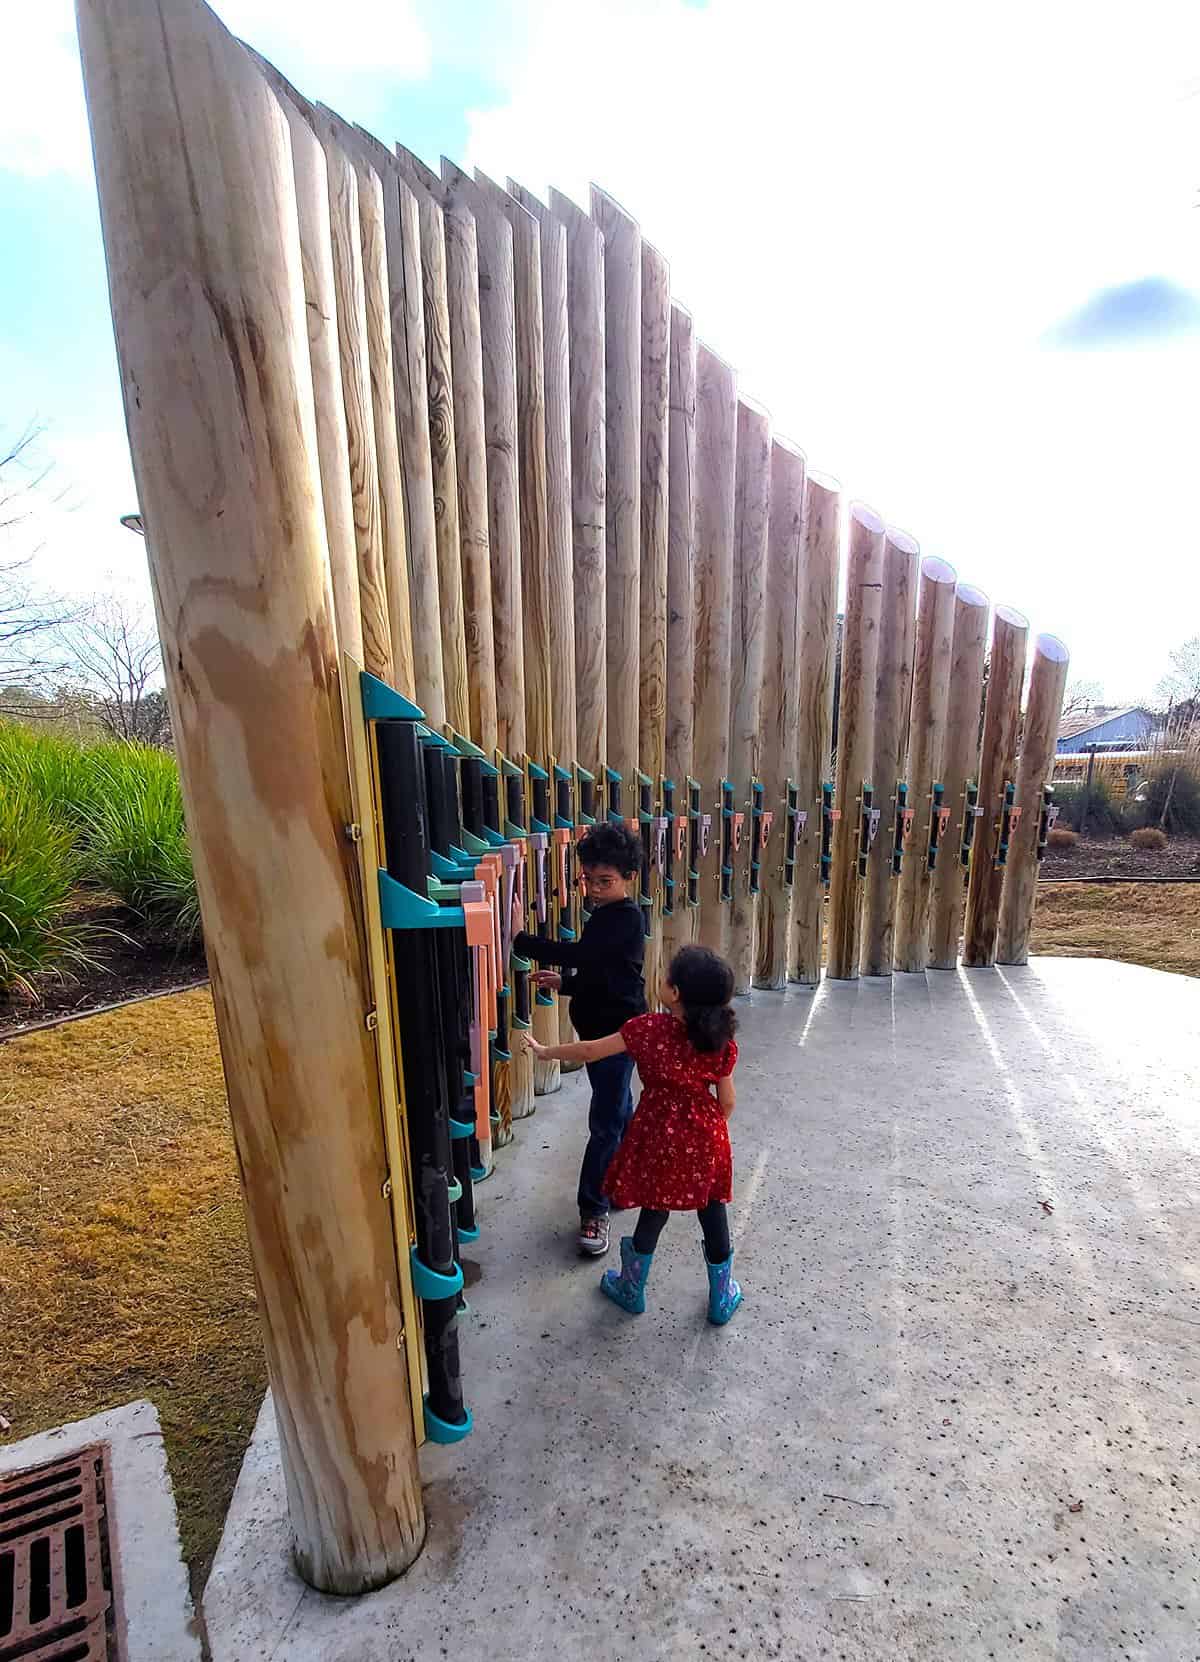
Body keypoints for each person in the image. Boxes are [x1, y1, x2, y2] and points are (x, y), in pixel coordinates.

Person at [524, 944, 742, 1325]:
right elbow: (727, 1102)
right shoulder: (719, 1040)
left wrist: (546, 1051)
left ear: (674, 993)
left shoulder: (646, 1030)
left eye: (667, 975)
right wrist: (706, 1131)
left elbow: (591, 1049)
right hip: (707, 1137)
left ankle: (631, 1286)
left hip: (658, 1135)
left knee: (655, 1207)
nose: (661, 977)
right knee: (711, 1208)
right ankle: (721, 1296)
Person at [513, 821, 647, 1257]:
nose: (593, 888)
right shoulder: (606, 916)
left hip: (614, 1034)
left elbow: (584, 956)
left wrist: (519, 938)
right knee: (619, 1110)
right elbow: (604, 973)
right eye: (588, 879)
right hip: (601, 1028)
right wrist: (566, 984)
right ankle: (624, 1184)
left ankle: (594, 1208)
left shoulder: (626, 917)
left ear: (629, 878)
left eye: (604, 881)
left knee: (605, 1124)